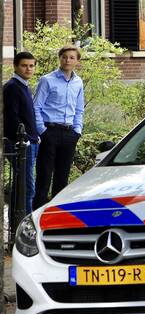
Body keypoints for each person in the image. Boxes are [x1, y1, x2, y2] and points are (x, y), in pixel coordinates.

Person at [33, 45, 85, 208]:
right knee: (44, 177)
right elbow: (36, 107)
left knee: (62, 179)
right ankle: (36, 218)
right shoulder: (47, 80)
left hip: (69, 134)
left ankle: (56, 216)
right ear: (59, 58)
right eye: (64, 57)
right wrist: (43, 131)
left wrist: (77, 131)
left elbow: (79, 109)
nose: (67, 60)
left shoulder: (78, 82)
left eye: (71, 57)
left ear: (77, 60)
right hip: (50, 132)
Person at [3, 52, 43, 214]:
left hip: (31, 142)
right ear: (15, 66)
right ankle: (23, 226)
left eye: (31, 66)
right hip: (20, 144)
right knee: (26, 188)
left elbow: (26, 116)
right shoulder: (12, 87)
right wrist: (26, 138)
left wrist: (36, 137)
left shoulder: (24, 86)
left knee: (24, 185)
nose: (28, 69)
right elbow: (11, 117)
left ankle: (17, 224)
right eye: (24, 65)